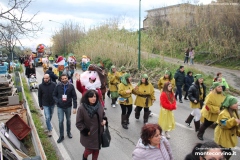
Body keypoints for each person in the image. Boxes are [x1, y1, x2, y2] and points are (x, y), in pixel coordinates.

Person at [76, 90, 107, 160]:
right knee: (88, 151)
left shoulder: (99, 105)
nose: (93, 98)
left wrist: (104, 120)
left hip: (99, 134)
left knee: (96, 151)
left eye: (95, 96)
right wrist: (86, 131)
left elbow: (103, 115)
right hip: (90, 135)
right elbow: (79, 123)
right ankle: (84, 157)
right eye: (91, 97)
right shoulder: (82, 108)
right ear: (87, 98)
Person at [53, 74, 77, 143]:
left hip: (68, 106)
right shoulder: (57, 86)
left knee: (68, 120)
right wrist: (58, 101)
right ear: (60, 79)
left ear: (67, 78)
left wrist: (75, 107)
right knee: (60, 121)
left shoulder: (71, 86)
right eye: (62, 79)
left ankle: (68, 132)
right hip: (60, 107)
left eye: (65, 78)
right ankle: (61, 135)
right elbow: (54, 95)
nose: (64, 80)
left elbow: (74, 97)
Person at [214, 95, 240, 160]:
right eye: (235, 103)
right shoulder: (223, 113)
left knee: (226, 152)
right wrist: (234, 121)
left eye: (237, 103)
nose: (237, 104)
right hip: (223, 136)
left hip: (228, 136)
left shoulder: (234, 112)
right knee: (225, 153)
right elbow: (224, 124)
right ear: (230, 105)